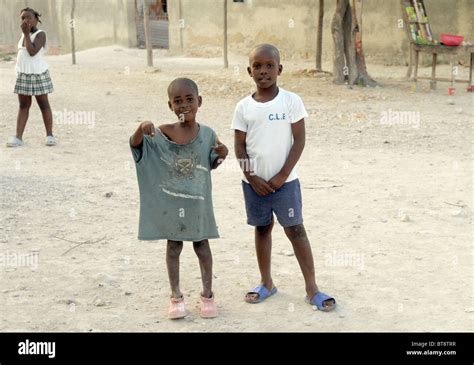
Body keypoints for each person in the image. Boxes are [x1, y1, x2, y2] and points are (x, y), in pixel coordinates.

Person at [231, 44, 336, 311]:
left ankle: (312, 288)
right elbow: (240, 146)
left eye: (269, 66)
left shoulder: (291, 101)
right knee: (262, 229)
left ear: (279, 69)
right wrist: (251, 176)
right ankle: (266, 283)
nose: (263, 71)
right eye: (257, 66)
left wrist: (282, 175)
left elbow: (299, 141)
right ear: (249, 71)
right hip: (254, 185)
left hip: (285, 184)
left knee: (296, 229)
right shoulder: (243, 107)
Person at [130, 78, 228, 319]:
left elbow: (210, 164)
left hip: (198, 202)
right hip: (172, 203)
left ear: (199, 102)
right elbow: (137, 148)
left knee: (202, 247)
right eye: (178, 101)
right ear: (170, 105)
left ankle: (207, 295)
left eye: (189, 100)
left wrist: (222, 155)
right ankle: (176, 297)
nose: (184, 105)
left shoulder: (207, 134)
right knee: (173, 248)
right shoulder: (162, 133)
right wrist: (141, 128)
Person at [7, 7, 56, 147]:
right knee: (23, 105)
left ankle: (50, 135)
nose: (25, 20)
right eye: (22, 18)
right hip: (23, 75)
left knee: (43, 104)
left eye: (28, 17)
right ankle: (18, 137)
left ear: (36, 20)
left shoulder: (40, 34)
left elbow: (32, 51)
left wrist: (27, 34)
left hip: (38, 74)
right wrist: (25, 34)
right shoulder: (24, 35)